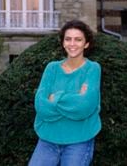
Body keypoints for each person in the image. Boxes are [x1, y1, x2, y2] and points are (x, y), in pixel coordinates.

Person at [28, 20, 101, 166]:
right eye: (68, 39)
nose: (72, 44)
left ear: (86, 44)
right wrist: (74, 99)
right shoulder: (52, 68)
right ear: (63, 43)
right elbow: (41, 106)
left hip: (79, 140)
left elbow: (84, 107)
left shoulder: (92, 68)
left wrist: (55, 97)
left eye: (78, 39)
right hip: (47, 138)